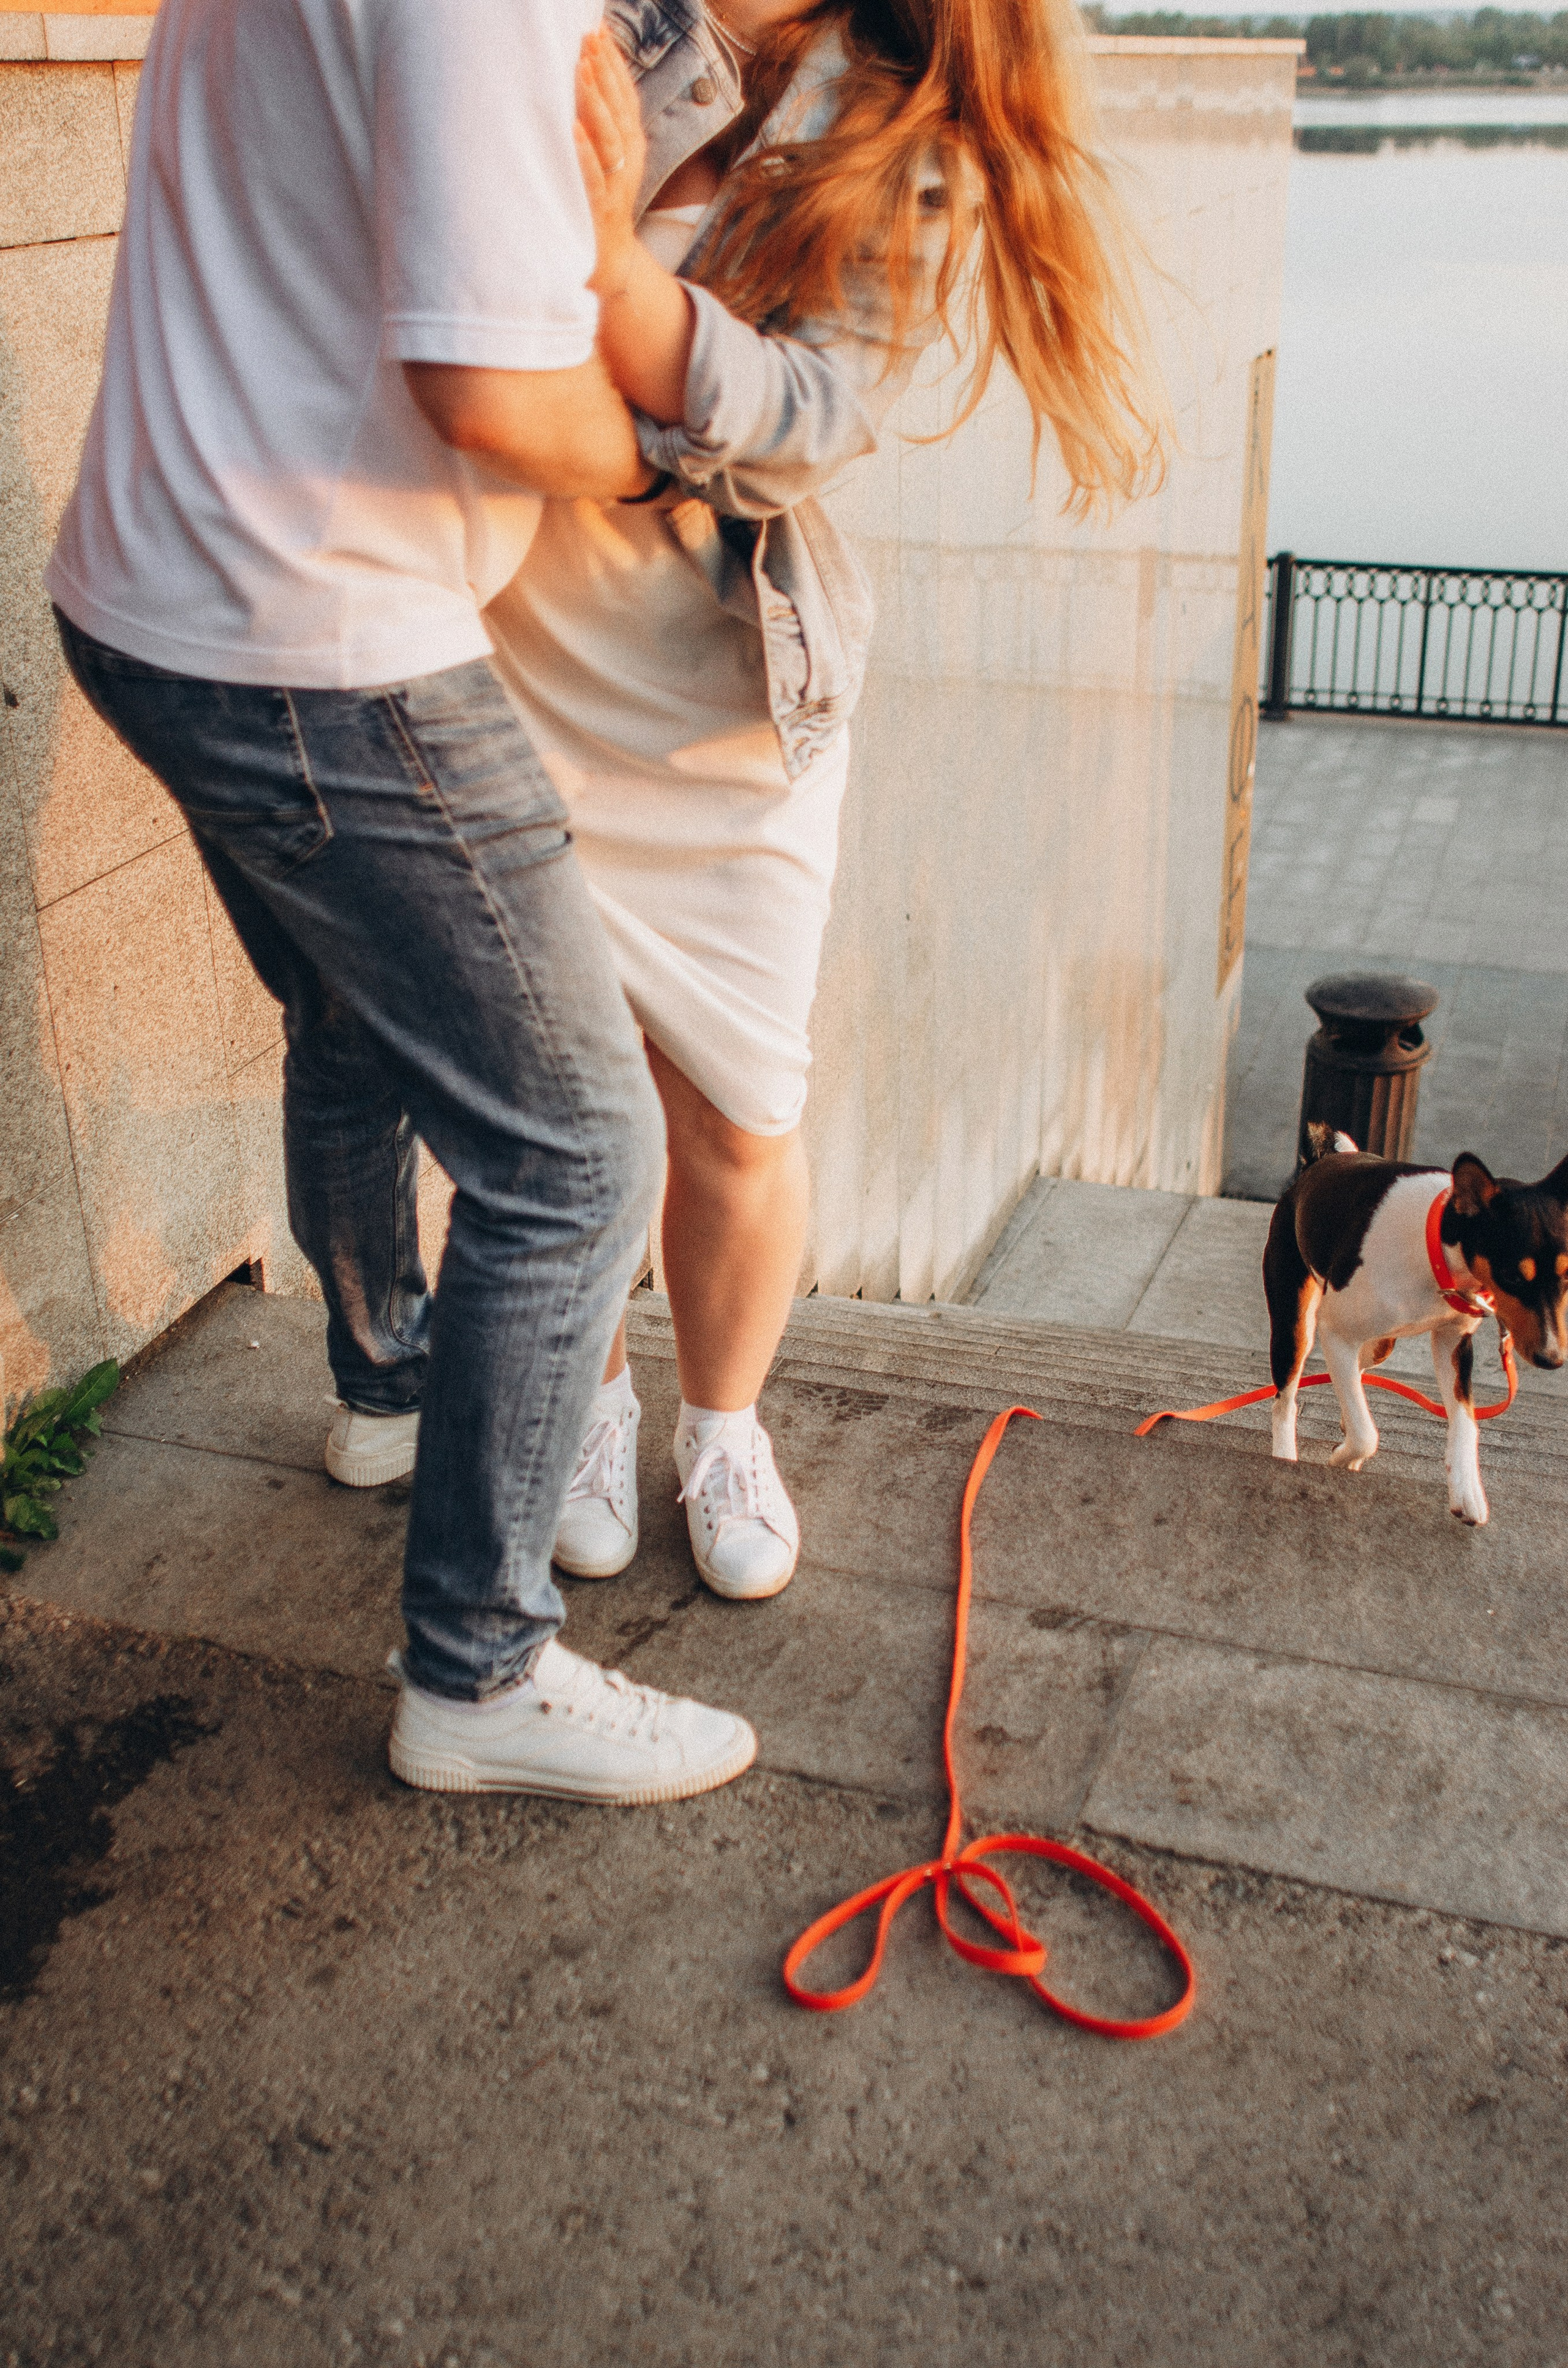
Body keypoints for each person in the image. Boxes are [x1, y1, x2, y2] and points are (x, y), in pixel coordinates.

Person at [45, 0, 756, 1803]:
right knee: (583, 1150)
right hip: (322, 636)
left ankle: (385, 1397)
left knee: (352, 1014)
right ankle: (482, 1665)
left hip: (154, 587)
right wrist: (674, 451)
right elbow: (487, 384)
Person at [481, 0, 1164, 1602]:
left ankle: (723, 1427)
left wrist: (610, 277)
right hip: (505, 654)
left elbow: (794, 436)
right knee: (545, 1090)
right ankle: (589, 1405)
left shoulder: (899, 125)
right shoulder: (589, 19)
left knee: (736, 1105)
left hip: (726, 697)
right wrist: (632, 338)